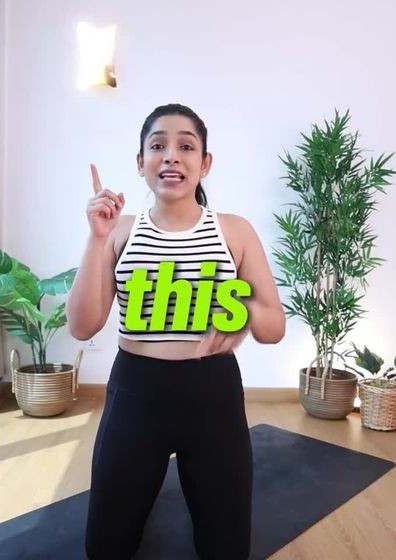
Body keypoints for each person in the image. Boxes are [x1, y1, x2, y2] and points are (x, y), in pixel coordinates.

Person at [67, 103, 286, 559]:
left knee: (225, 548)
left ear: (205, 163)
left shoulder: (234, 231)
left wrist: (238, 310)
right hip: (135, 394)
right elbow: (82, 325)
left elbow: (274, 327)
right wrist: (96, 237)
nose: (171, 156)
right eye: (158, 146)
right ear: (140, 162)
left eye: (186, 146)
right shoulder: (119, 231)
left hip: (213, 396)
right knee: (105, 546)